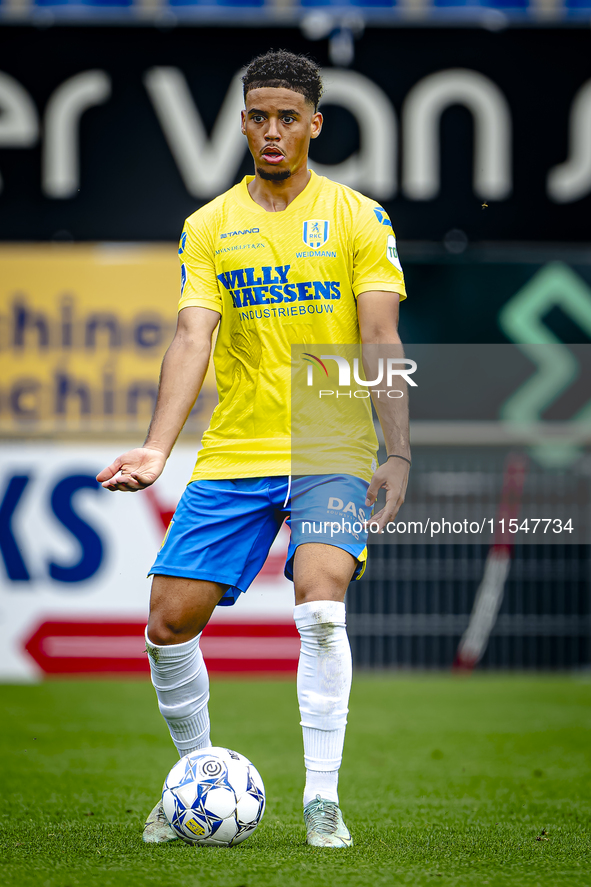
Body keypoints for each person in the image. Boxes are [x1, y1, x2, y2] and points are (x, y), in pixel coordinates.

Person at [97, 49, 410, 848]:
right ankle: (196, 780)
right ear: (241, 124)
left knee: (320, 605)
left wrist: (397, 450)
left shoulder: (358, 217)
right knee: (167, 623)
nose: (271, 132)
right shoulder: (208, 226)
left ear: (314, 124)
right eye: (257, 117)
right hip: (236, 449)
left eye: (286, 117)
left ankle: (322, 799)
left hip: (331, 441)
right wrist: (157, 449)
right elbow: (191, 336)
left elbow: (379, 338)